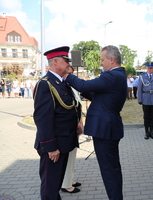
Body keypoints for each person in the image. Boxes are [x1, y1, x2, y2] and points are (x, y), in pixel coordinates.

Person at [65, 45, 127, 200]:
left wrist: (68, 75)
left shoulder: (112, 76)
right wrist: (80, 88)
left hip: (105, 129)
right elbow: (94, 94)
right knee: (111, 169)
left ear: (111, 60)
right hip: (108, 128)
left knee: (109, 170)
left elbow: (83, 85)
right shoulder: (116, 76)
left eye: (102, 59)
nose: (101, 63)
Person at [33, 46, 82, 200]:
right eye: (66, 60)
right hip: (54, 147)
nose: (69, 64)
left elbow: (68, 109)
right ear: (55, 62)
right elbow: (43, 119)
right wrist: (51, 147)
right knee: (50, 188)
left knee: (56, 184)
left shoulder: (62, 83)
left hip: (65, 143)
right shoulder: (46, 84)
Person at [61, 66, 83, 194]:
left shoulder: (70, 84)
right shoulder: (61, 85)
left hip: (75, 125)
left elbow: (77, 105)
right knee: (67, 156)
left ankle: (70, 179)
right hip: (68, 128)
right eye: (68, 67)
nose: (70, 69)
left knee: (72, 155)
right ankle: (65, 184)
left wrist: (80, 121)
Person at [138, 62, 153, 140]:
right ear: (146, 68)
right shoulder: (142, 76)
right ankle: (146, 132)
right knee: (146, 116)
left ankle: (151, 132)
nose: (150, 69)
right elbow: (140, 89)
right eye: (148, 68)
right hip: (145, 99)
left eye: (151, 68)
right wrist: (140, 99)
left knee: (152, 116)